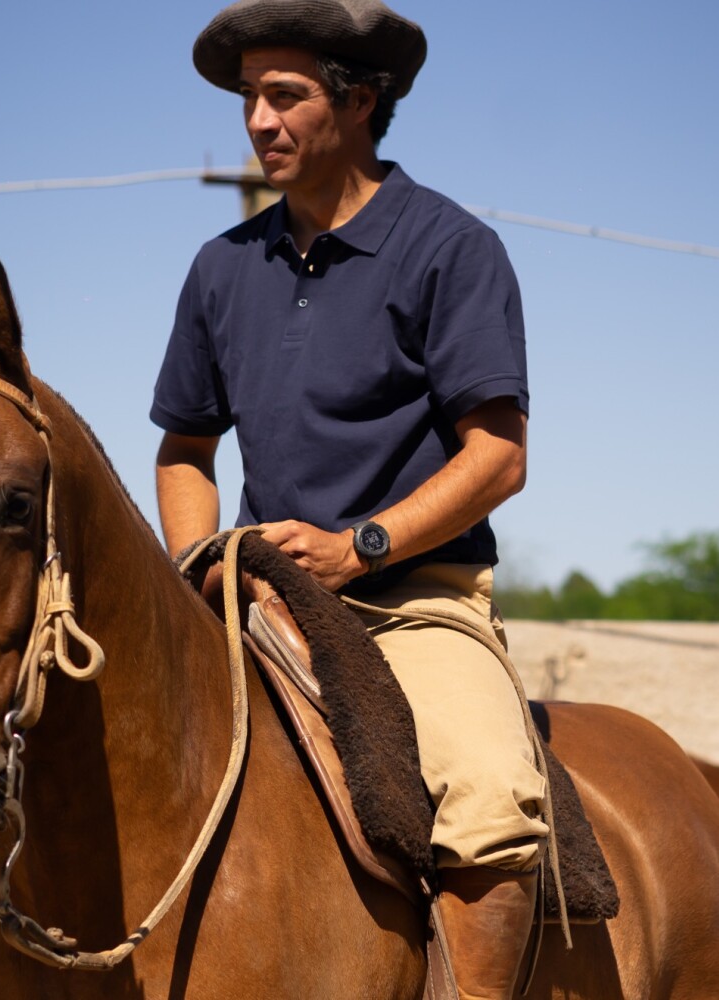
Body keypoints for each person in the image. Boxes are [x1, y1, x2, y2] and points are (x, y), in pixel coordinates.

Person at [150, 2, 548, 996]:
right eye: (251, 99)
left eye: (285, 95)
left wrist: (357, 546)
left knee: (491, 795)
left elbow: (497, 457)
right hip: (257, 600)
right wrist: (200, 567)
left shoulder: (451, 248)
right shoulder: (219, 268)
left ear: (361, 101)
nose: (258, 122)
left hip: (414, 601)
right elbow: (185, 448)